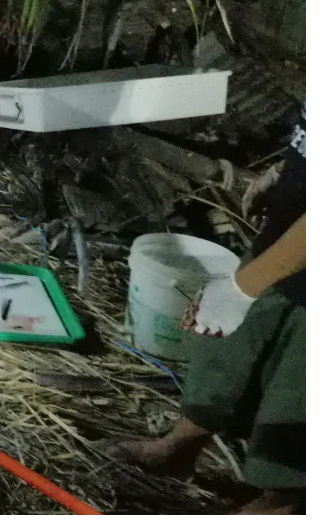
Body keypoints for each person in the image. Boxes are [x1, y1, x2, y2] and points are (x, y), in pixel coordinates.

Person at [108, 104, 306, 514]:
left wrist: (240, 288)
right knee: (230, 350)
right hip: (284, 240)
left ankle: (279, 500)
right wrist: (284, 174)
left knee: (299, 391)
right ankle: (179, 448)